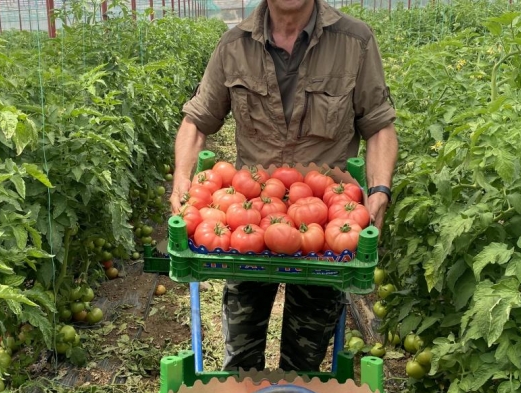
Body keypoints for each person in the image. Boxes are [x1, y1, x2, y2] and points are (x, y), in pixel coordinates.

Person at [169, 0, 398, 373]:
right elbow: (197, 120)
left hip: (326, 224)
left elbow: (379, 126)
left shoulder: (354, 42)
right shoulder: (234, 46)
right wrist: (181, 178)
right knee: (241, 358)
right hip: (251, 217)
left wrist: (379, 190)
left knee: (305, 359)